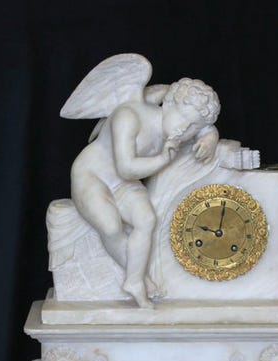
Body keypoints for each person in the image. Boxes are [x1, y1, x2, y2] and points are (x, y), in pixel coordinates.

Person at [69, 77, 220, 307]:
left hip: (123, 184)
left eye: (193, 129)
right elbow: (126, 168)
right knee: (110, 226)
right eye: (184, 120)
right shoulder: (129, 116)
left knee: (146, 219)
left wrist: (210, 138)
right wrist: (163, 159)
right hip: (92, 175)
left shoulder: (179, 124)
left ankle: (134, 281)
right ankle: (140, 278)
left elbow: (204, 126)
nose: (185, 130)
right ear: (168, 103)